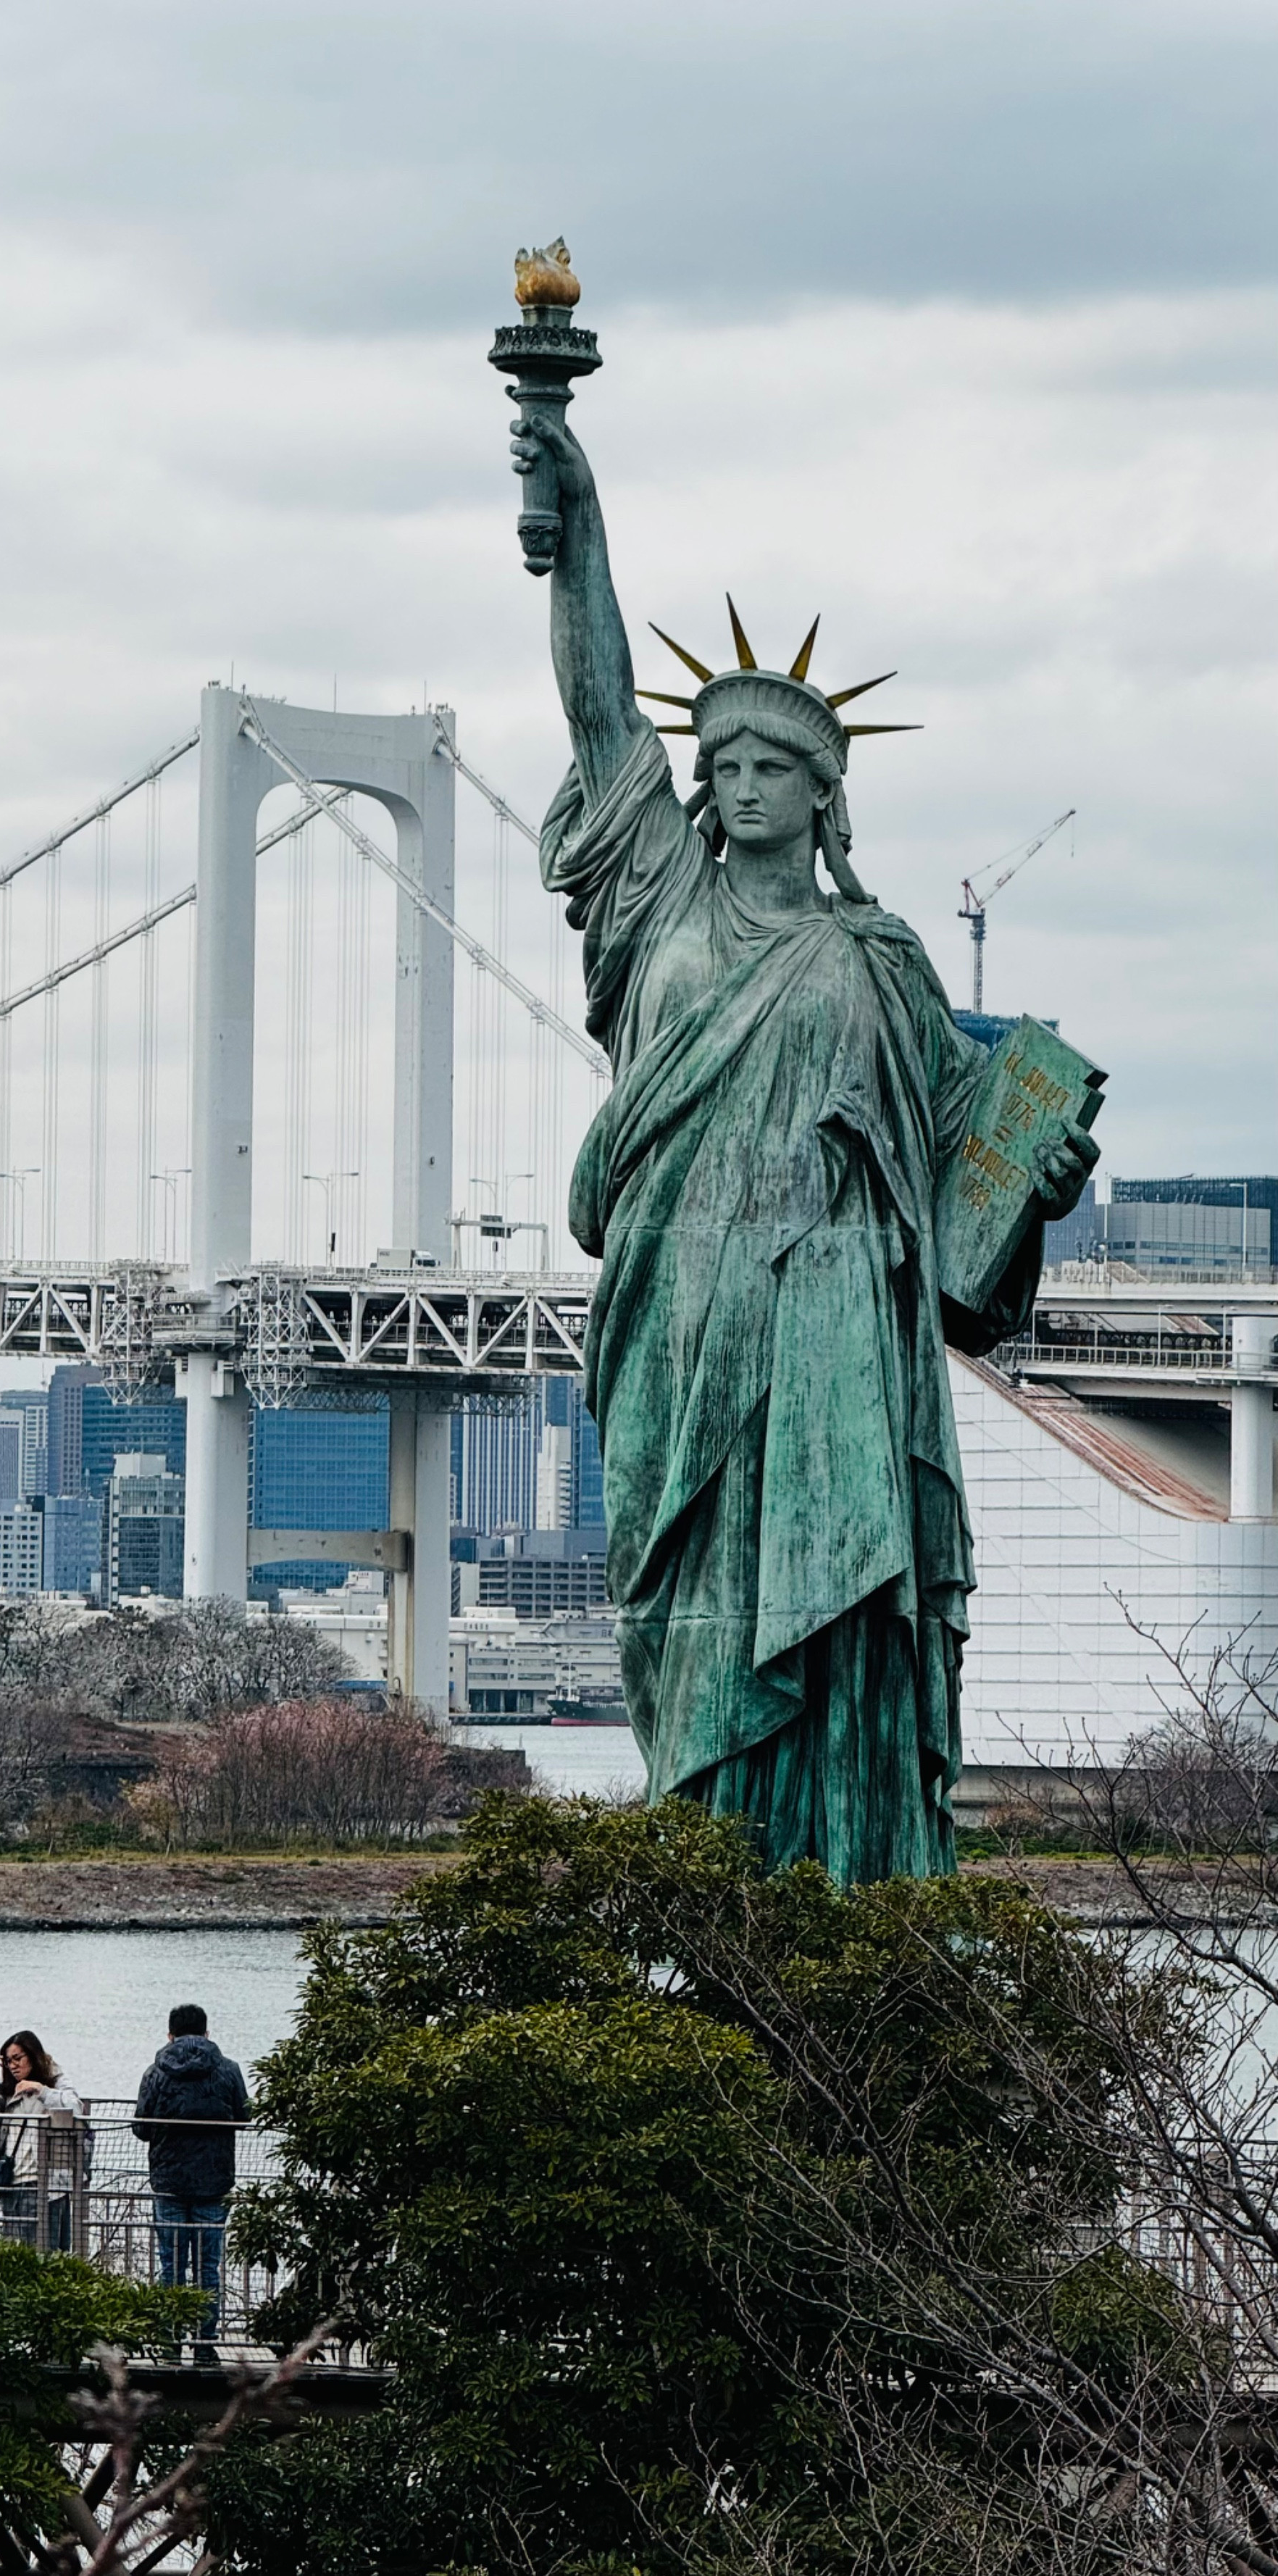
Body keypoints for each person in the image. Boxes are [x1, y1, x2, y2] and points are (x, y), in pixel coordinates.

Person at [506, 401, 1098, 1884]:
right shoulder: (662, 904)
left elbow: (960, 1230)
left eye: (776, 767)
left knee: (849, 1639)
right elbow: (596, 710)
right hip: (685, 1307)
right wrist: (572, 514)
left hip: (839, 1325)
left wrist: (1040, 1192)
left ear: (825, 794)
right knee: (690, 1614)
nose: (742, 785)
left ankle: (852, 1902)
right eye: (724, 764)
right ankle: (715, 1908)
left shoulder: (883, 960)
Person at [132, 2004, 249, 2362]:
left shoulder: (156, 2073)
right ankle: (205, 2344)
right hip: (214, 2182)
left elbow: (141, 2128)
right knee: (208, 2266)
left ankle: (169, 2341)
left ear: (170, 2035)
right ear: (207, 2033)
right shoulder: (228, 2071)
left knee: (171, 2265)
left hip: (168, 2181)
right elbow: (244, 2117)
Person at [0, 2030, 85, 2250]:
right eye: (8, 2061)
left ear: (33, 2055)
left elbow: (75, 2108)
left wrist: (41, 2091)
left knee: (47, 2251)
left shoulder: (55, 2080)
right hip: (14, 2181)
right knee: (15, 2251)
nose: (13, 2066)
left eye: (18, 2058)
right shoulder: (9, 2091)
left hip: (48, 2183)